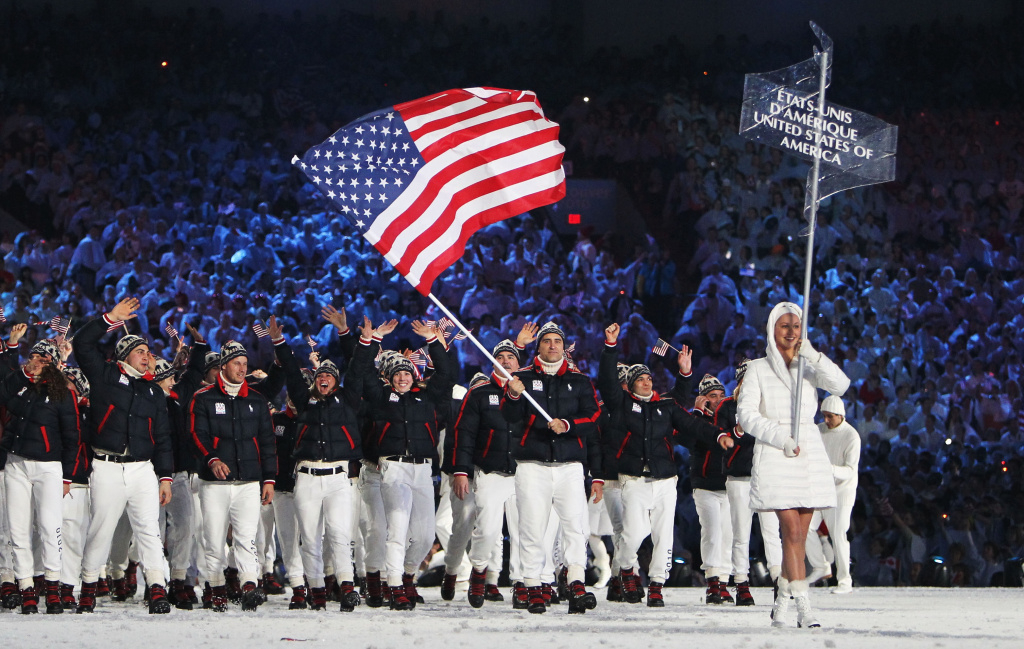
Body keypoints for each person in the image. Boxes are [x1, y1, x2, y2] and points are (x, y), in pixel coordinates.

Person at [598, 322, 730, 607]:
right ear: (631, 384)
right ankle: (628, 569)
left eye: (648, 378)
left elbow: (692, 423)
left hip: (665, 481)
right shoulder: (621, 406)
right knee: (633, 534)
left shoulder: (664, 407)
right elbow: (608, 384)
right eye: (640, 378)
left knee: (663, 535)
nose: (646, 381)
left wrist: (718, 433)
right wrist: (610, 347)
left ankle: (657, 584)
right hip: (632, 479)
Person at [736, 302, 850, 628]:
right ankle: (804, 606)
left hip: (808, 453)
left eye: (796, 326)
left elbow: (841, 386)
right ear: (772, 329)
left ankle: (781, 602)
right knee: (792, 531)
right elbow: (746, 415)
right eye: (785, 326)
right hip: (777, 453)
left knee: (800, 533)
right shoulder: (757, 368)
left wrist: (812, 355)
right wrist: (780, 436)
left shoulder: (806, 366)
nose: (791, 332)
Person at [270, 307, 378, 612]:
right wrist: (279, 344)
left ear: (336, 381)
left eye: (330, 375)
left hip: (339, 479)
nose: (325, 379)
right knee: (309, 537)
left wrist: (360, 339)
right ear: (316, 380)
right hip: (306, 476)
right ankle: (316, 590)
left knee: (340, 534)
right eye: (321, 375)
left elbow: (357, 369)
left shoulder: (347, 401)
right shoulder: (304, 402)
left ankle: (346, 587)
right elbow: (292, 371)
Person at [72, 298, 175, 615]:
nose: (148, 357)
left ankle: (157, 588)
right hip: (106, 466)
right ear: (124, 355)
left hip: (143, 469)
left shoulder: (154, 391)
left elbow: (163, 437)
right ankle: (88, 587)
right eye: (141, 351)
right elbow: (81, 342)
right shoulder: (103, 375)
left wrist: (166, 476)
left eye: (149, 352)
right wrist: (109, 319)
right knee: (101, 529)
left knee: (149, 530)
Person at [502, 321, 601, 614]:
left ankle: (577, 583)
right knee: (532, 527)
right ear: (539, 347)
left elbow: (593, 416)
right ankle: (533, 585)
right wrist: (513, 394)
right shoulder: (521, 377)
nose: (553, 345)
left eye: (557, 341)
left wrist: (567, 425)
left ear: (563, 346)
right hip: (532, 464)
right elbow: (509, 416)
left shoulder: (579, 380)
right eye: (547, 341)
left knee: (576, 525)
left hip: (570, 465)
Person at [355, 319, 453, 611]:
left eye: (406, 372)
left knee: (424, 535)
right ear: (388, 377)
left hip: (423, 470)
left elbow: (447, 373)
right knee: (396, 529)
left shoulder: (426, 398)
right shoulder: (381, 398)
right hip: (392, 468)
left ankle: (407, 575)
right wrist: (370, 341)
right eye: (397, 373)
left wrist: (433, 342)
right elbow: (361, 373)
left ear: (415, 375)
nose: (402, 377)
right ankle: (394, 585)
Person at [450, 328, 535, 608]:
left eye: (512, 356)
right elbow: (464, 435)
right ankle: (478, 573)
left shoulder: (532, 394)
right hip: (489, 472)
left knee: (525, 531)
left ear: (519, 362)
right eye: (501, 356)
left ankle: (521, 583)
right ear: (493, 362)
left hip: (523, 472)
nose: (507, 360)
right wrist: (461, 471)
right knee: (486, 530)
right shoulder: (479, 394)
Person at [189, 339, 277, 612]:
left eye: (245, 364)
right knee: (214, 539)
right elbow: (196, 433)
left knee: (246, 537)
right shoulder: (203, 398)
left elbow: (267, 441)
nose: (242, 368)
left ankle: (249, 585)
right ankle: (215, 588)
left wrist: (270, 479)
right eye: (237, 363)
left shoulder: (256, 399)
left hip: (248, 481)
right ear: (223, 365)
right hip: (214, 483)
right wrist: (212, 459)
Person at [0, 337, 81, 614]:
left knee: (50, 527)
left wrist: (67, 477)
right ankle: (25, 588)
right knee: (18, 530)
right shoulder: (21, 384)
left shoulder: (63, 393)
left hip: (49, 467)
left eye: (45, 360)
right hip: (16, 464)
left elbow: (73, 436)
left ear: (55, 364)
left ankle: (53, 586)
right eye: (35, 358)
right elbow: (3, 394)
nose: (39, 364)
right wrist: (24, 374)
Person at [717, 358, 783, 606]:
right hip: (738, 478)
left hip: (765, 476)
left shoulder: (767, 406)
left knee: (771, 532)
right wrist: (737, 431)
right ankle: (742, 583)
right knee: (741, 532)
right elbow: (721, 443)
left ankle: (778, 580)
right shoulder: (726, 407)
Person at [816, 394, 861, 594]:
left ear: (840, 415)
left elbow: (850, 470)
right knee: (804, 529)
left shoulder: (851, 436)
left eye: (830, 416)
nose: (826, 420)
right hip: (820, 488)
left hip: (843, 491)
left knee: (838, 533)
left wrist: (829, 469)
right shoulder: (818, 430)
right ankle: (822, 565)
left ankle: (844, 580)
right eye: (824, 415)